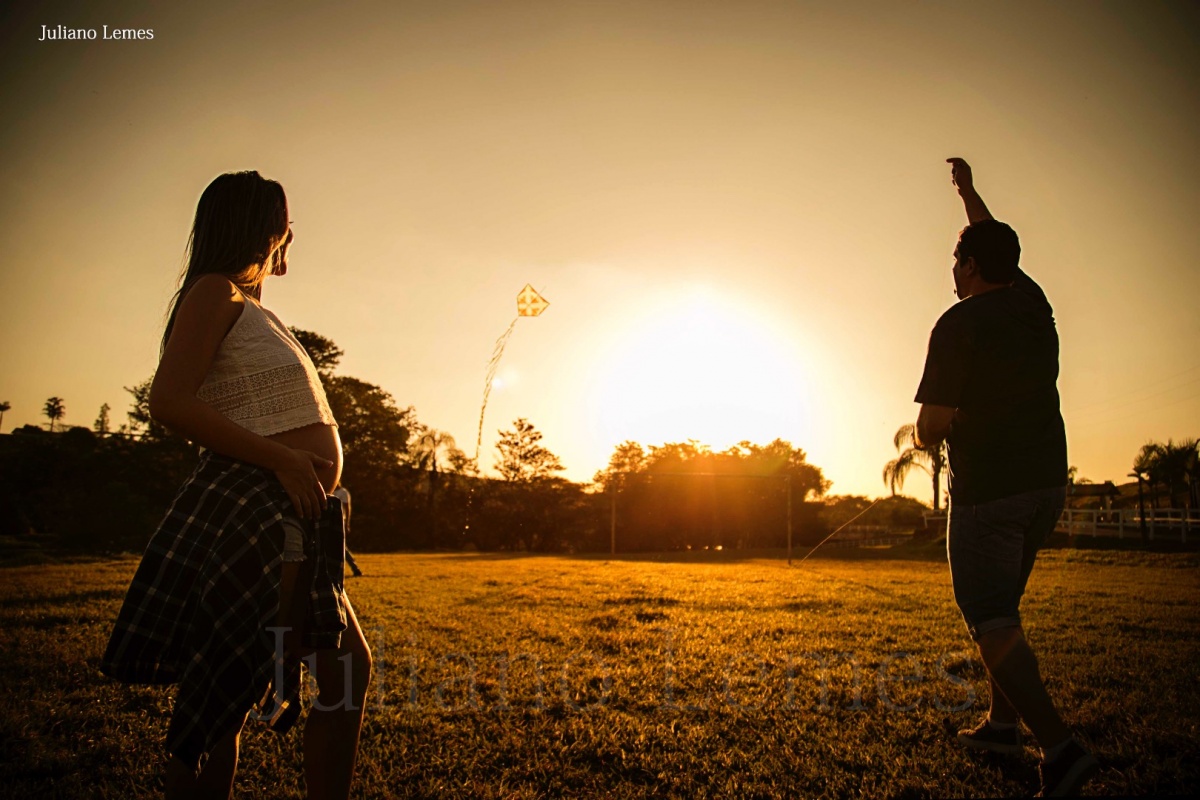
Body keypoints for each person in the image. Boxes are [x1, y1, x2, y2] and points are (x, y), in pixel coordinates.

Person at [100, 171, 372, 800]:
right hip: (255, 504)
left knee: (330, 674)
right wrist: (281, 459)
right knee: (231, 688)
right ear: (263, 227)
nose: (291, 233)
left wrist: (293, 469)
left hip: (293, 509)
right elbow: (168, 400)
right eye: (284, 220)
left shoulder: (251, 307)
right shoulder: (213, 292)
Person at [913, 158, 1098, 796]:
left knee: (990, 617)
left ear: (966, 267)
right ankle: (999, 724)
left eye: (957, 260)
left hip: (989, 495)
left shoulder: (957, 323)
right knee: (1007, 614)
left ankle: (1061, 748)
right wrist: (968, 194)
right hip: (1046, 485)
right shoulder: (1031, 306)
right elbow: (995, 240)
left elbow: (930, 429)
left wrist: (937, 424)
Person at [331, 485, 364, 577]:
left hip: (339, 520)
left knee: (341, 545)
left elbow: (347, 508)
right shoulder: (329, 490)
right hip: (330, 520)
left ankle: (354, 567)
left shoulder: (343, 492)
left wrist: (347, 523)